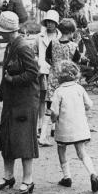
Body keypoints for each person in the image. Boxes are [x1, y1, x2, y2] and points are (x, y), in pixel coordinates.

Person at [0, 11, 40, 194]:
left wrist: (13, 80)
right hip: (11, 101)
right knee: (7, 137)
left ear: (9, 31)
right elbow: (6, 74)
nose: (0, 34)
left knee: (24, 140)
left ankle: (28, 180)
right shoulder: (10, 46)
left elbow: (33, 73)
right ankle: (8, 176)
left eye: (2, 31)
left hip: (25, 102)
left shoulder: (22, 47)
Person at [50, 60, 98, 192]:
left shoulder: (58, 91)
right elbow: (89, 104)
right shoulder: (79, 88)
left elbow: (54, 111)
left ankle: (67, 177)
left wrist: (53, 120)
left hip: (64, 128)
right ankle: (92, 173)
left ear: (59, 76)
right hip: (80, 127)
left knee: (61, 149)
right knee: (82, 152)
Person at [36, 10, 60, 145]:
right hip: (43, 70)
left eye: (52, 22)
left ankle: (54, 126)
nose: (50, 25)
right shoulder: (39, 36)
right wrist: (37, 61)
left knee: (55, 99)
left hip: (55, 71)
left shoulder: (60, 37)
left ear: (56, 24)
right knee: (42, 98)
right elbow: (33, 50)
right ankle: (41, 125)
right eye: (48, 22)